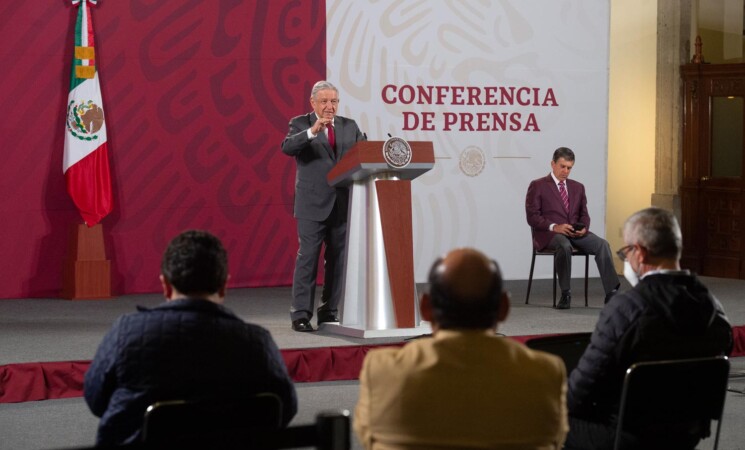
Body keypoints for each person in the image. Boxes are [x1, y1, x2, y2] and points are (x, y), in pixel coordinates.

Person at [83, 230, 297, 445]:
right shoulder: (258, 343)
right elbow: (284, 409)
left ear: (165, 286)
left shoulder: (125, 333)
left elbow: (96, 399)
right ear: (224, 286)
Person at [354, 248, 568, 449]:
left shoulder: (382, 370)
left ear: (426, 309)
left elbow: (367, 437)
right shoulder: (546, 373)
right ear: (503, 308)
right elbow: (558, 439)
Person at [564, 208, 733, 449]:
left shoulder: (627, 309)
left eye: (626, 253)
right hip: (686, 436)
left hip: (626, 436)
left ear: (640, 253)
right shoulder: (717, 313)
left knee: (546, 417)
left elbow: (578, 395)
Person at [281, 80, 365, 332]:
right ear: (313, 103)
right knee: (307, 258)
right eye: (325, 101)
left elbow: (365, 152)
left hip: (341, 203)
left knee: (337, 260)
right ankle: (301, 315)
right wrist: (312, 131)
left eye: (334, 101)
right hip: (312, 204)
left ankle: (328, 312)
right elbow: (287, 147)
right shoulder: (300, 123)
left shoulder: (349, 127)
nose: (330, 106)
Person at [525, 146, 620, 309]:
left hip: (576, 233)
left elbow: (584, 214)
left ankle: (612, 293)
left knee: (602, 244)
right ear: (552, 164)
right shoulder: (538, 185)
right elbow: (532, 217)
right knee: (564, 245)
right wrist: (554, 227)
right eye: (562, 166)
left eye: (569, 168)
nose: (566, 171)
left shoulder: (578, 187)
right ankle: (566, 293)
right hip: (550, 235)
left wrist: (583, 228)